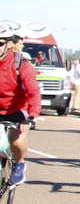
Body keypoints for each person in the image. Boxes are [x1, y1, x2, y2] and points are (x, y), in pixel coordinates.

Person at [0, 23, 40, 186]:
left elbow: (33, 91)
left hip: (17, 108)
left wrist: (32, 116)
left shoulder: (19, 63)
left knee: (16, 142)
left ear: (9, 44)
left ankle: (19, 163)